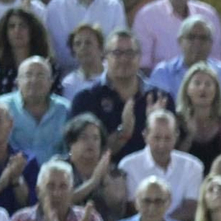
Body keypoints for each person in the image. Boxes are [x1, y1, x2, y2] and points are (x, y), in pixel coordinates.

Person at [69, 29, 178, 162]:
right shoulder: (86, 99)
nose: (124, 59)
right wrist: (124, 132)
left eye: (130, 53)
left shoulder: (160, 99)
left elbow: (171, 155)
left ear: (140, 57)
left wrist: (155, 127)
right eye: (117, 53)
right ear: (105, 57)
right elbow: (84, 156)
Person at [119, 109, 204, 221]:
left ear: (176, 136)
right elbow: (133, 207)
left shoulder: (193, 166)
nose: (162, 144)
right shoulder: (128, 166)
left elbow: (191, 207)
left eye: (167, 138)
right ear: (145, 135)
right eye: (156, 138)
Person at [151, 15, 221, 111]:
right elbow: (158, 109)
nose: (197, 43)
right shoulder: (163, 72)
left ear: (211, 43)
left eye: (203, 38)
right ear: (180, 41)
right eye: (191, 37)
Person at [133, 0, 221, 71]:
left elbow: (216, 61)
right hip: (162, 82)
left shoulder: (209, 16)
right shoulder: (147, 16)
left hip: (202, 81)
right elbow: (143, 66)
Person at [0, 57, 70, 168]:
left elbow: (70, 149)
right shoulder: (2, 108)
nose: (34, 80)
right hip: (13, 175)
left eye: (40, 75)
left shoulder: (65, 109)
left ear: (51, 81)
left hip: (55, 178)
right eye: (28, 75)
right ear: (17, 81)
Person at [0, 7, 54, 101]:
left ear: (33, 31)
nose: (17, 31)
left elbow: (54, 95)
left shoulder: (46, 61)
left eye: (23, 26)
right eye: (12, 26)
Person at [46, 0, 126, 66]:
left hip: (106, 75)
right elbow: (54, 51)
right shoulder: (55, 7)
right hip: (65, 74)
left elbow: (118, 47)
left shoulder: (114, 6)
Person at [174, 63, 221, 172]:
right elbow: (175, 163)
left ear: (216, 90)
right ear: (187, 89)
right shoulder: (177, 120)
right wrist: (190, 136)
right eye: (197, 83)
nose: (202, 88)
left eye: (208, 84)